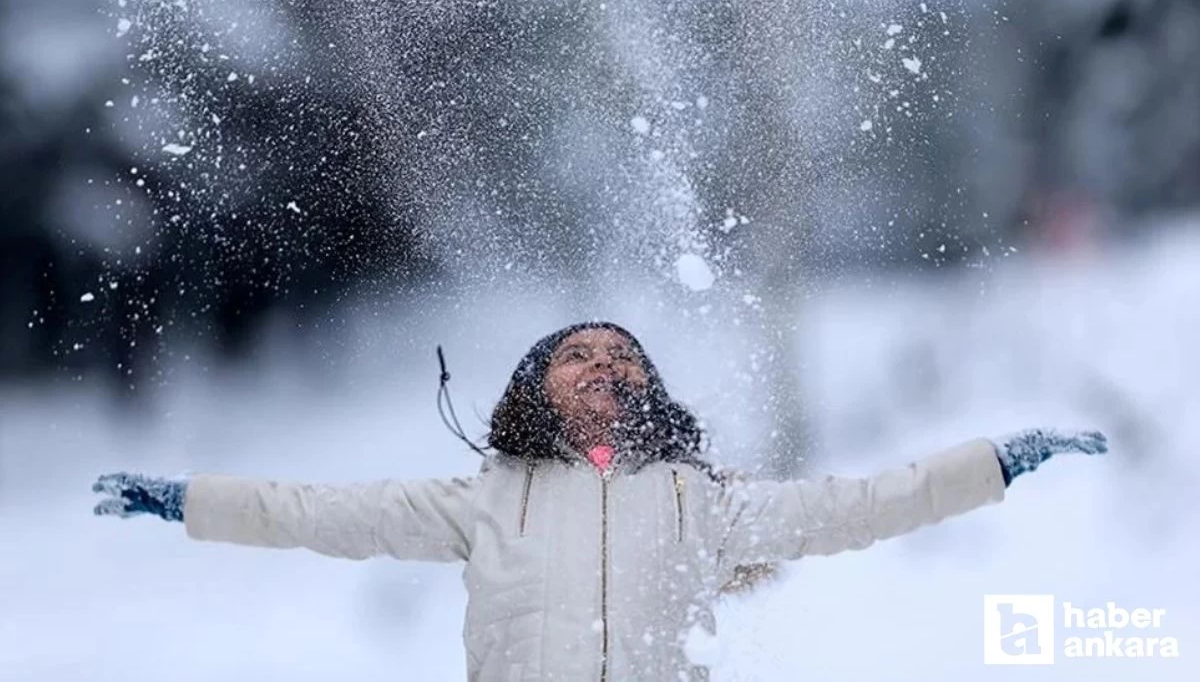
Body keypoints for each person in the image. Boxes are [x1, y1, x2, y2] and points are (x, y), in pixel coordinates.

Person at [92, 321, 1108, 681]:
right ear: (536, 387)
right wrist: (188, 500)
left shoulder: (703, 503)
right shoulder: (482, 497)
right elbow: (313, 509)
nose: (603, 364)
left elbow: (864, 503)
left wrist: (997, 461)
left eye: (623, 356)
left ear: (649, 390)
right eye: (577, 354)